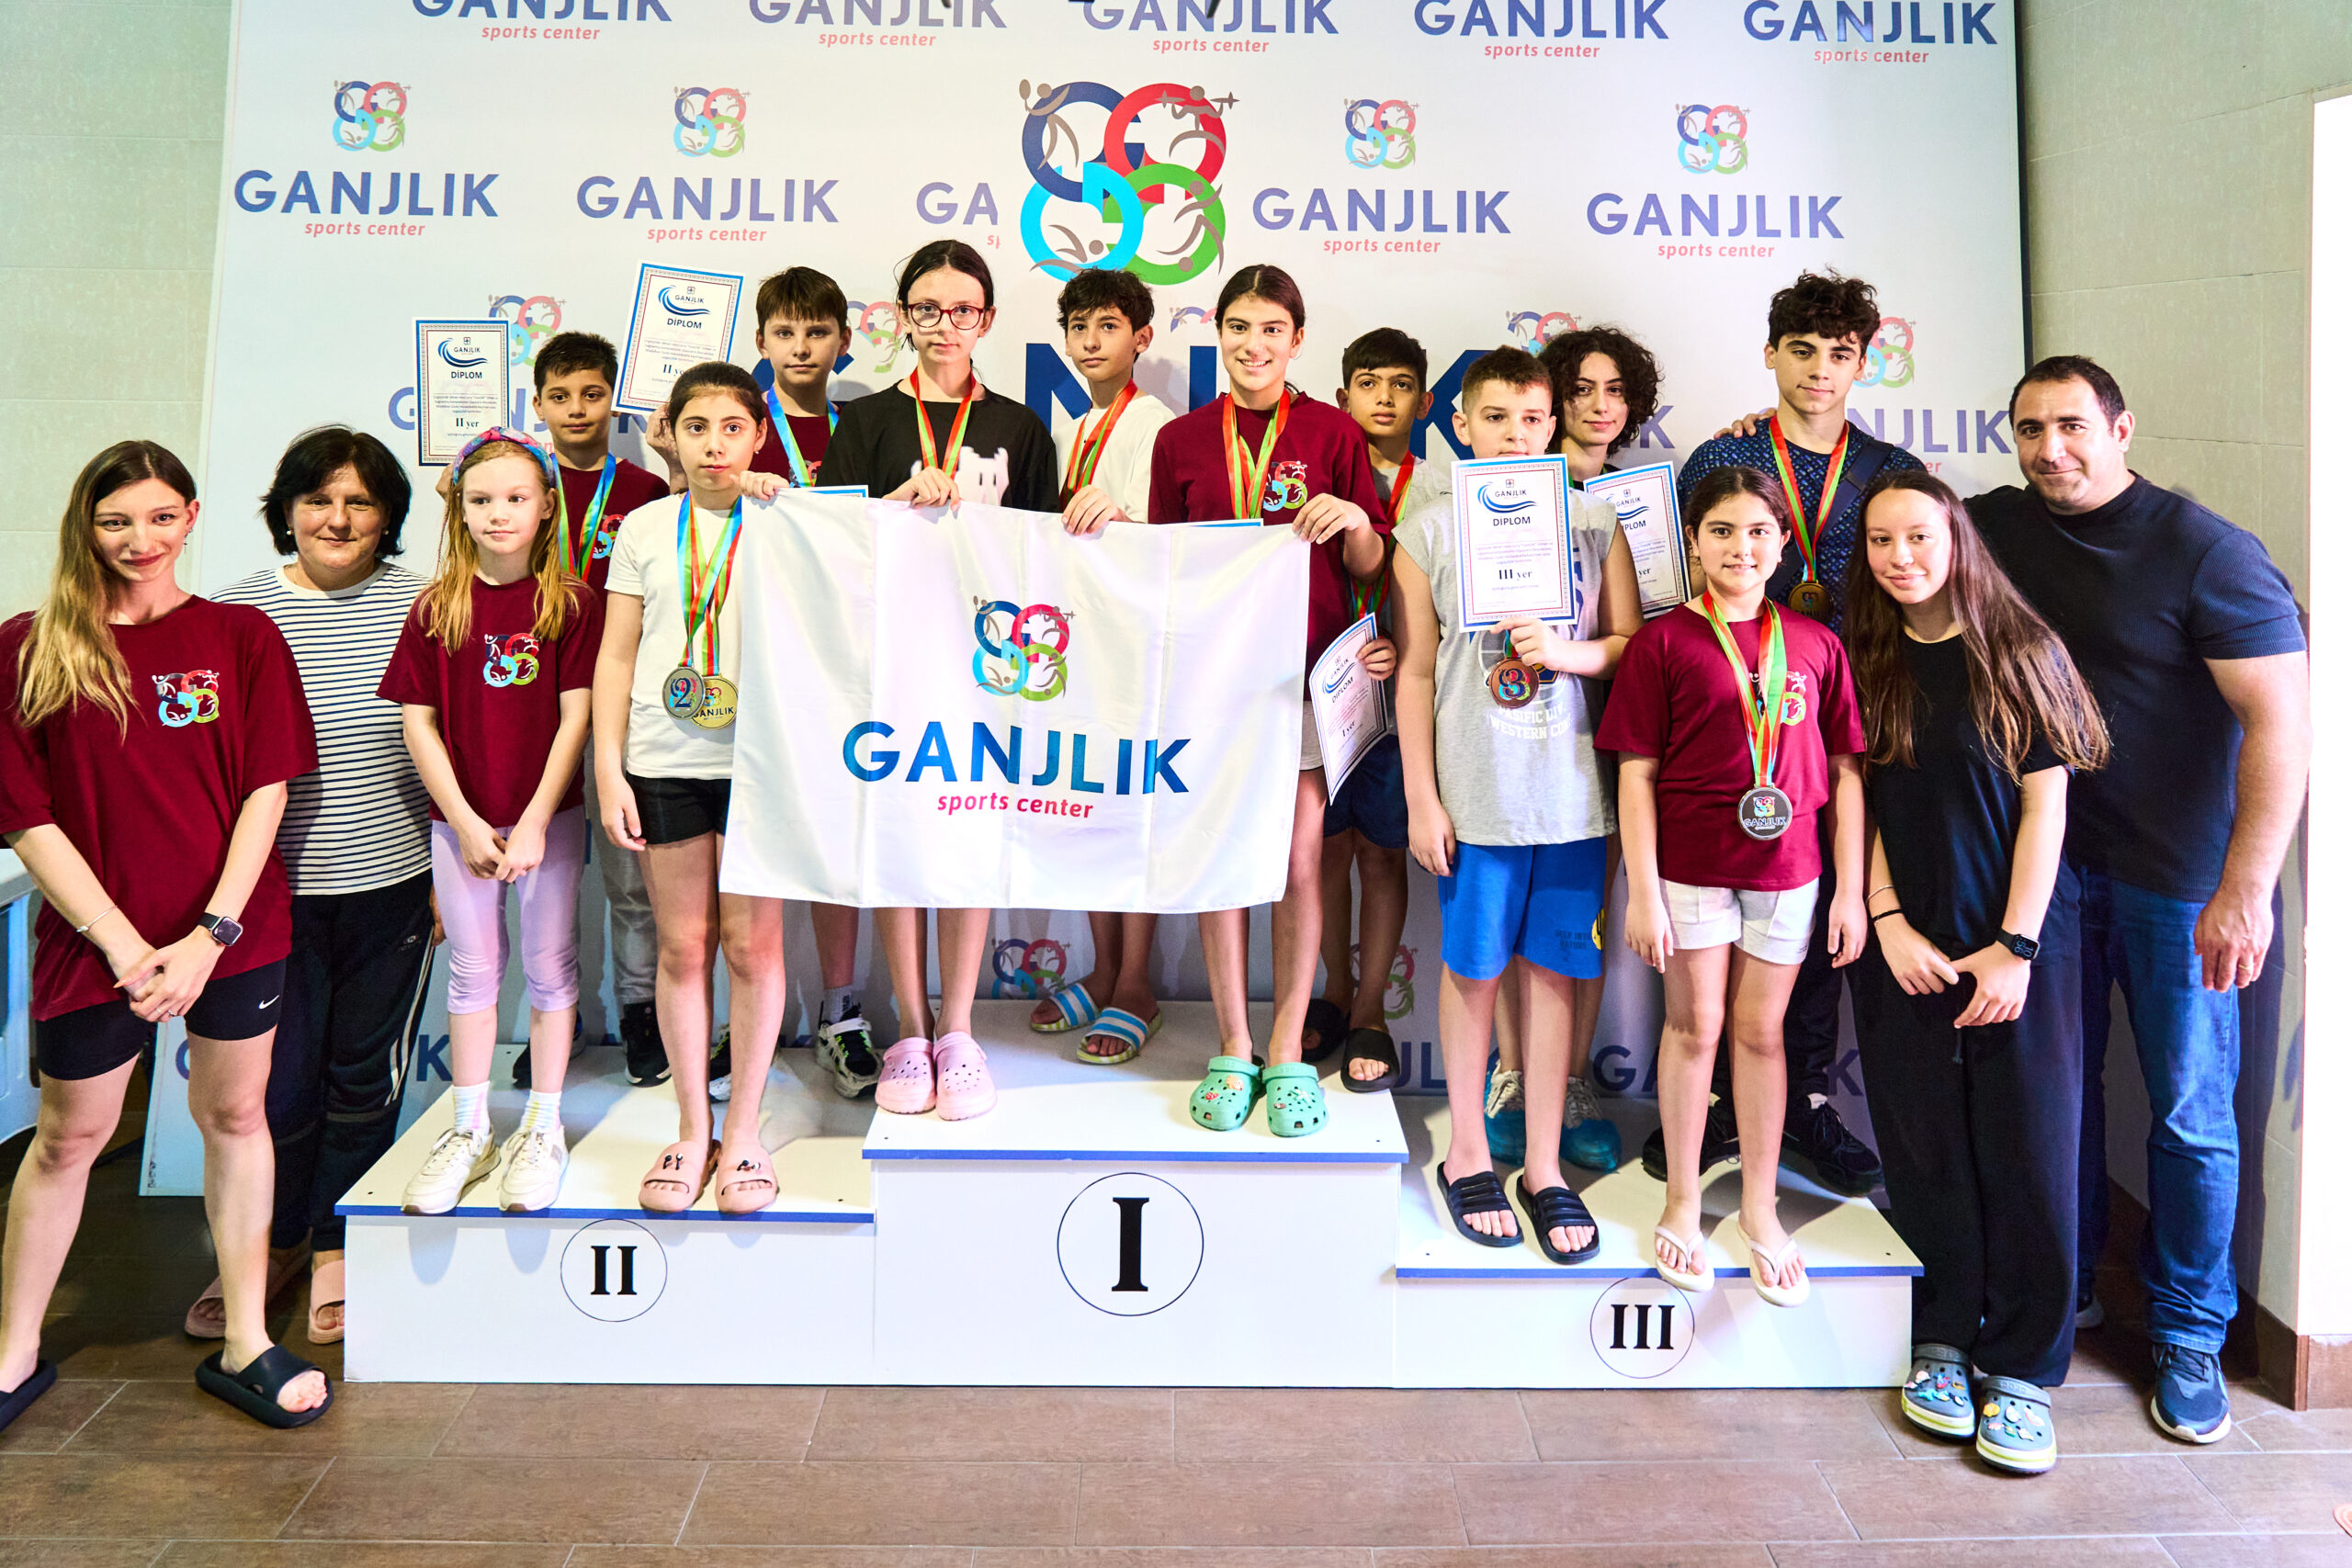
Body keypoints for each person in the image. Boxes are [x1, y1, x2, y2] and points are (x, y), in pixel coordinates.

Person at [1967, 355, 2309, 1445]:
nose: (2049, 449)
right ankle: (2064, 1289)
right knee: (2057, 1097)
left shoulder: (2205, 552)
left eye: (2072, 426)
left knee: (2190, 1115)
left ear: (2120, 429)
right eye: (2029, 429)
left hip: (2180, 882)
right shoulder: (1995, 529)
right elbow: (1899, 548)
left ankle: (2189, 1333)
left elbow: (2281, 724)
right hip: (2049, 872)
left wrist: (2244, 891)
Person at [0, 441, 332, 1429]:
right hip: (92, 941)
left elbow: (266, 791)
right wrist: (119, 942)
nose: (138, 540)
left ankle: (246, 1341)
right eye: (115, 521)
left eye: (157, 517)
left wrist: (208, 935)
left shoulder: (242, 636)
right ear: (86, 526)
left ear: (190, 517)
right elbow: (24, 814)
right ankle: (13, 1351)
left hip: (232, 934)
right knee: (70, 1136)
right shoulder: (28, 646)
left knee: (235, 1118)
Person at [1848, 470, 2110, 1475]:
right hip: (1906, 943)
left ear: (1957, 539)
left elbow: (2047, 808)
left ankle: (2024, 1367)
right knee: (1924, 1146)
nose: (1900, 557)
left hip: (2018, 944)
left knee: (2029, 1145)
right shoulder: (1867, 659)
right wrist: (1886, 923)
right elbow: (1862, 806)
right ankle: (1943, 1340)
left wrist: (2017, 947)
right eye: (1881, 541)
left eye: (1919, 536)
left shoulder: (2020, 649)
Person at [1660, 271, 1922, 1198]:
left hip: (1844, 718)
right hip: (1730, 727)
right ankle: (1715, 1106)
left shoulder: (1891, 468)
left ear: (1863, 362)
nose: (1818, 370)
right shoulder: (1723, 457)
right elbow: (1677, 589)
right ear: (1771, 353)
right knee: (1712, 924)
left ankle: (1803, 1099)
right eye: (1801, 350)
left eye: (1838, 354)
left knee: (1810, 920)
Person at [795, 241, 1054, 1122]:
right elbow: (829, 543)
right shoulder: (867, 421)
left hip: (988, 670)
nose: (946, 325)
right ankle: (910, 1027)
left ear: (987, 318)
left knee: (971, 838)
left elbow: (1045, 555)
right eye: (928, 308)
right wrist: (890, 510)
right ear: (902, 316)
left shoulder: (1020, 426)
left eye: (963, 309)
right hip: (892, 665)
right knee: (903, 840)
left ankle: (960, 1027)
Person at [1600, 466, 1867, 1307]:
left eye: (1757, 531)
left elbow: (1846, 772)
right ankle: (1683, 1200)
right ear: (1692, 541)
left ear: (1783, 543)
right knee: (1694, 1027)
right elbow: (1635, 774)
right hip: (1688, 867)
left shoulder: (1816, 643)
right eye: (1721, 530)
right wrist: (1643, 890)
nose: (1740, 547)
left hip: (1790, 872)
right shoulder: (1663, 643)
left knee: (1760, 1034)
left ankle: (1758, 1206)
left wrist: (1852, 891)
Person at [1395, 347, 1640, 1261]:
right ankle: (1466, 1150)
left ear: (1554, 426)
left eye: (1532, 419)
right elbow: (1415, 674)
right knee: (1473, 973)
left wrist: (1566, 653)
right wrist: (1422, 799)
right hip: (1476, 795)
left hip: (1571, 798)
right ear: (1461, 425)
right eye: (1495, 417)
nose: (1515, 434)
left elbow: (1626, 644)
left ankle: (1542, 1166)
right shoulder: (1425, 533)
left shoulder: (1594, 523)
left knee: (1554, 977)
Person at [1148, 263, 1387, 1137]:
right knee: (1223, 861)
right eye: (1240, 328)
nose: (1254, 345)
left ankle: (1286, 1047)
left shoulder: (1332, 431)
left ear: (1297, 339)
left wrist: (1353, 520)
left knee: (1296, 867)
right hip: (1215, 684)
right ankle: (1233, 1043)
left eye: (1272, 330)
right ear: (1219, 332)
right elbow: (1162, 567)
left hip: (1304, 679)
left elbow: (1370, 565)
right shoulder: (1180, 440)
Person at [204, 426, 432, 1346]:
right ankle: (274, 1241)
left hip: (393, 885)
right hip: (267, 900)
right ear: (286, 511)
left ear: (388, 517)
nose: (337, 519)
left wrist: (452, 879)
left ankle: (340, 1242)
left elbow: (455, 744)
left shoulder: (425, 604)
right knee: (278, 1084)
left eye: (360, 502)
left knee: (361, 1080)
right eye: (318, 500)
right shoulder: (235, 613)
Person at [380, 429, 603, 1215]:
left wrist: (536, 819)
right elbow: (418, 723)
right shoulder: (435, 606)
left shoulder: (571, 604)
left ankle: (543, 1123)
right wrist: (464, 821)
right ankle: (470, 1126)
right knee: (473, 969)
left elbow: (577, 718)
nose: (498, 513)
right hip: (461, 825)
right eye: (481, 500)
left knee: (549, 966)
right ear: (460, 510)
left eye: (516, 498)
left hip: (549, 821)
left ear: (546, 508)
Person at [594, 363, 797, 1211]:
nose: (714, 444)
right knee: (683, 948)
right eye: (697, 426)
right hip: (663, 760)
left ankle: (743, 1132)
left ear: (759, 435)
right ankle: (690, 1128)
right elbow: (615, 654)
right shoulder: (645, 526)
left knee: (752, 950)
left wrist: (797, 503)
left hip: (763, 766)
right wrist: (608, 767)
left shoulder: (788, 519)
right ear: (670, 434)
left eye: (732, 427)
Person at [1479, 323, 1671, 1172]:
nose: (1600, 406)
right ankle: (1512, 1076)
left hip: (1609, 732)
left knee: (1579, 918)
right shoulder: (1495, 488)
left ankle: (1572, 1083)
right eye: (1582, 389)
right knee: (1508, 914)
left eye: (1616, 392)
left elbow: (1643, 629)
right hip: (1507, 732)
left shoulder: (1634, 504)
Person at [1032, 265, 1176, 1067]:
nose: (1090, 341)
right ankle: (1101, 966)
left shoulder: (1154, 423)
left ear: (1141, 338)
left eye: (1108, 326)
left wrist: (1126, 517)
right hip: (1073, 644)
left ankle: (1137, 982)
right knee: (1086, 809)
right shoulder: (1070, 428)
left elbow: (1173, 535)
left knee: (1131, 813)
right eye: (1078, 326)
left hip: (1132, 646)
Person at [526, 332, 673, 1089]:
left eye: (591, 393)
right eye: (560, 396)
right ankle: (554, 1017)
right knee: (541, 875)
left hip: (620, 705)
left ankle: (640, 1011)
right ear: (538, 403)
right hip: (532, 704)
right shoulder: (517, 480)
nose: (577, 409)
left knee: (630, 878)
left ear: (614, 398)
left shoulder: (645, 489)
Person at [1315, 328, 1426, 1094]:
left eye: (1400, 383)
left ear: (1425, 399)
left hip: (1401, 697)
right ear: (1342, 395)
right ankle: (1332, 991)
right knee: (1325, 851)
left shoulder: (1443, 485)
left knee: (1382, 853)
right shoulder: (1320, 468)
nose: (1384, 397)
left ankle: (1371, 1008)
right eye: (1368, 381)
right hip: (1325, 689)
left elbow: (1453, 594)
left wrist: (1407, 646)